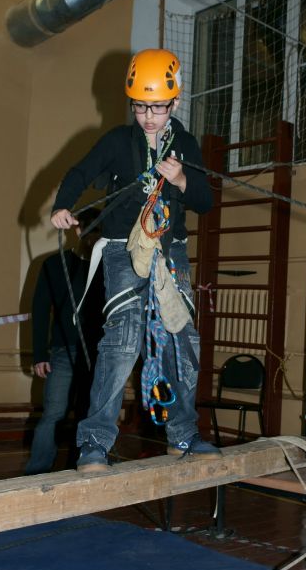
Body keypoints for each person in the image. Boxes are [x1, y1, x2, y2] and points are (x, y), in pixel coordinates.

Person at [51, 48, 221, 471]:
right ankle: (94, 443)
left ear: (175, 102)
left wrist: (182, 178)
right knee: (123, 339)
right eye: (141, 107)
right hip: (121, 247)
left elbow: (205, 201)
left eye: (158, 107)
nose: (148, 116)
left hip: (170, 249)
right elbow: (79, 173)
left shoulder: (185, 145)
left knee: (183, 341)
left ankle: (183, 434)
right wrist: (63, 204)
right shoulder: (116, 141)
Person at [25, 208, 104, 475]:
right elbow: (40, 310)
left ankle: (84, 467)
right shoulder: (54, 264)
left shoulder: (111, 265)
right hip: (65, 351)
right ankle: (37, 472)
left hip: (98, 352)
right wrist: (40, 354)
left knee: (89, 413)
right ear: (76, 229)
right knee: (54, 414)